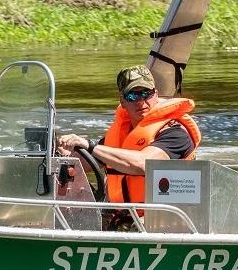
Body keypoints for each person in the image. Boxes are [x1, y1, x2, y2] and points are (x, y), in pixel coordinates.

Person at [57, 64, 201, 227]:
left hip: (168, 218)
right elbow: (84, 165)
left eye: (146, 93)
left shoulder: (175, 133)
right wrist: (63, 154)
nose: (141, 101)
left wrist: (89, 145)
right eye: (133, 96)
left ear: (156, 94)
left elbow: (143, 163)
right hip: (123, 215)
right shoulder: (119, 135)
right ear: (123, 101)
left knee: (136, 227)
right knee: (80, 218)